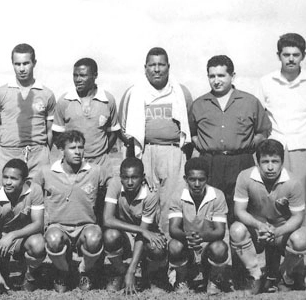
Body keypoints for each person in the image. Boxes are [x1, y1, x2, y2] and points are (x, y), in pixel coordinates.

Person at [119, 47, 193, 233]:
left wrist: (182, 155)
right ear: (145, 68)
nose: (157, 69)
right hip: (145, 152)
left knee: (172, 202)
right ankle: (149, 250)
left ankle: (172, 247)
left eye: (161, 64)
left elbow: (190, 127)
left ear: (169, 66)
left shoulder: (181, 92)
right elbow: (123, 129)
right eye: (152, 65)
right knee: (148, 200)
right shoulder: (133, 92)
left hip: (173, 152)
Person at [190, 55, 271, 224]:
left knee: (241, 214)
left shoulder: (250, 102)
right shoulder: (199, 104)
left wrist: (248, 146)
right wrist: (206, 148)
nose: (216, 80)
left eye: (221, 75)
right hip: (210, 163)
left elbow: (263, 130)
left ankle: (240, 249)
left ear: (232, 76)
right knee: (210, 214)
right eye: (212, 76)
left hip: (241, 162)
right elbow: (193, 134)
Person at [258, 33, 306, 200]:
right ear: (279, 56)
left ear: (303, 56)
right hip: (272, 149)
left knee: (297, 200)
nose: (291, 59)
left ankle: (296, 227)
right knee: (271, 198)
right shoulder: (266, 81)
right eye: (286, 55)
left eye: (296, 55)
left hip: (302, 149)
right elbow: (258, 115)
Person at [33, 130, 110, 292]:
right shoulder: (46, 172)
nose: (77, 152)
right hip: (58, 227)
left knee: (95, 237)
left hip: (86, 226)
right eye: (72, 148)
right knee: (53, 239)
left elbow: (117, 184)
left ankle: (84, 271)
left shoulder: (95, 171)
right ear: (62, 150)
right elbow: (28, 188)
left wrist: (144, 183)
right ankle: (64, 271)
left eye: (80, 147)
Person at [230, 139, 306, 294]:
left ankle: (283, 275)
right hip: (257, 231)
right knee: (236, 230)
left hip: (281, 233)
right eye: (265, 161)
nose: (270, 167)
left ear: (282, 161)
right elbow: (239, 211)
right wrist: (259, 226)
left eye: (275, 161)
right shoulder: (245, 177)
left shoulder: (293, 182)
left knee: (301, 238)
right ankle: (256, 276)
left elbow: (298, 217)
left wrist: (277, 232)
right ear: (257, 162)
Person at [0, 43, 55, 183]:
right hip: (8, 154)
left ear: (34, 63)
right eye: (17, 64)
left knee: (37, 198)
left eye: (26, 63)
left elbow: (50, 130)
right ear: (12, 64)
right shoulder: (1, 92)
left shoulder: (46, 94)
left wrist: (41, 152)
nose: (22, 69)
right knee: (3, 200)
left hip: (38, 157)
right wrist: (2, 151)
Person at [0, 159, 46, 295]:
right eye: (5, 177)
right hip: (0, 237)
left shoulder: (35, 190)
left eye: (13, 178)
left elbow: (38, 224)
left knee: (38, 243)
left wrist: (13, 235)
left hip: (21, 237)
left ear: (24, 180)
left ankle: (30, 274)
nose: (8, 182)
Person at [102, 157, 167, 294]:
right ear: (120, 177)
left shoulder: (151, 193)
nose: (130, 182)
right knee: (110, 235)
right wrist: (140, 231)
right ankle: (119, 272)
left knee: (157, 247)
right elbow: (107, 219)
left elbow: (144, 232)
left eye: (134, 177)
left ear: (143, 177)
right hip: (126, 234)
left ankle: (150, 276)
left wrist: (132, 270)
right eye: (125, 178)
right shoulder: (115, 184)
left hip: (145, 234)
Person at [168, 158, 230, 295]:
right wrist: (188, 237)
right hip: (187, 245)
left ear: (207, 178)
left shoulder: (217, 195)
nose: (197, 184)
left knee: (220, 247)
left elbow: (220, 231)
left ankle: (213, 280)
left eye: (201, 179)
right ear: (185, 179)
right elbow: (173, 229)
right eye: (192, 179)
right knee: (174, 246)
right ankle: (181, 279)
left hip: (207, 247)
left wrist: (201, 237)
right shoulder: (178, 195)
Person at [53, 57, 120, 167]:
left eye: (83, 75)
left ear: (95, 75)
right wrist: (70, 154)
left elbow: (113, 132)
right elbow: (57, 133)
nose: (78, 79)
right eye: (75, 75)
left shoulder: (108, 100)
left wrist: (101, 153)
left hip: (100, 164)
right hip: (73, 165)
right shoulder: (64, 101)